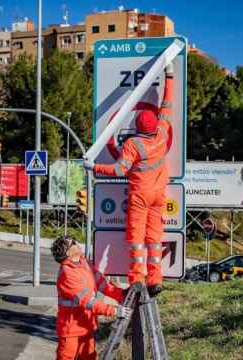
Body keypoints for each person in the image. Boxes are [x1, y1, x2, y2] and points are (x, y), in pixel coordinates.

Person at [84, 62, 175, 296]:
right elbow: (167, 104)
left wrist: (94, 167)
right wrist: (170, 75)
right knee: (154, 239)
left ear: (136, 126)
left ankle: (138, 278)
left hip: (140, 196)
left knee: (135, 238)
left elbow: (119, 170)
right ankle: (156, 278)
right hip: (158, 195)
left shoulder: (134, 144)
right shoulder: (163, 131)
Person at [52, 236, 132, 360]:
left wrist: (121, 295)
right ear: (67, 252)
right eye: (73, 242)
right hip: (71, 330)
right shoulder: (67, 274)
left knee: (89, 357)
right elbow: (88, 302)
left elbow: (102, 283)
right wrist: (114, 310)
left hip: (86, 326)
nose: (77, 242)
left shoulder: (85, 264)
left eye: (75, 239)